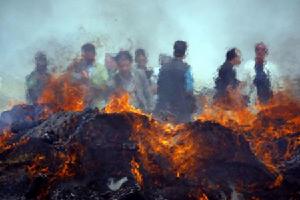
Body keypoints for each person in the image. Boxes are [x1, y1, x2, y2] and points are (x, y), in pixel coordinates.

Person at [155, 40, 196, 123]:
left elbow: (159, 86)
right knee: (184, 134)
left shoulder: (164, 67)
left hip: (163, 109)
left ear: (174, 51)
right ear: (185, 53)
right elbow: (189, 90)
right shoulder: (186, 68)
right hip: (181, 111)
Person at [67, 43, 108, 107]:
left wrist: (89, 81)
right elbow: (70, 83)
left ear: (94, 54)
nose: (87, 54)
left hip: (97, 106)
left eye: (89, 51)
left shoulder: (101, 68)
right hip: (81, 105)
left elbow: (104, 86)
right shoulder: (77, 68)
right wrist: (70, 69)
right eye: (85, 52)